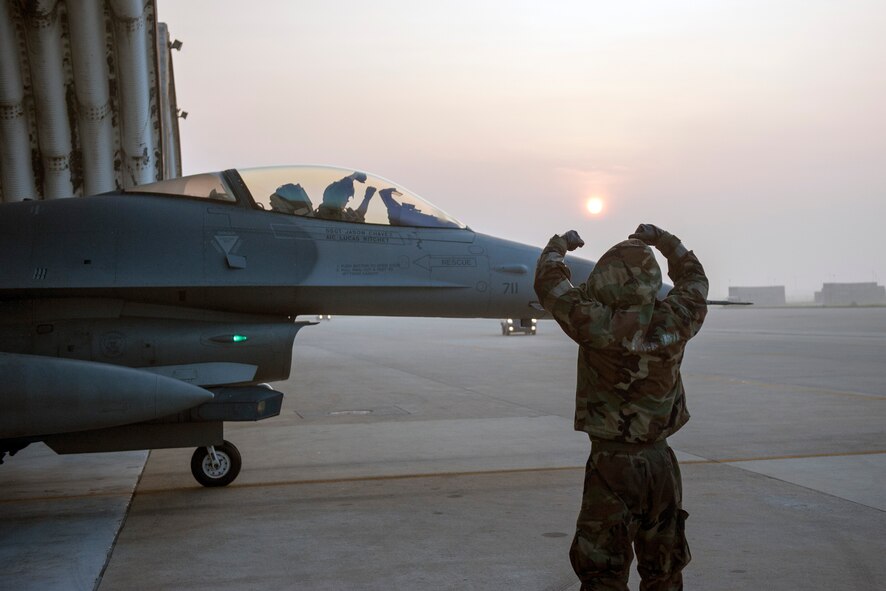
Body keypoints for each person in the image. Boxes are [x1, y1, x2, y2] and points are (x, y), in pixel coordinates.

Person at [533, 224, 708, 591]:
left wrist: (558, 246)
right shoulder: (677, 319)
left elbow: (550, 284)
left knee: (602, 573)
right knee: (664, 570)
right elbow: (694, 279)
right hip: (660, 464)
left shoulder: (597, 323)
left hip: (611, 466)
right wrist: (665, 241)